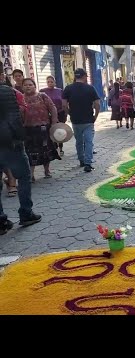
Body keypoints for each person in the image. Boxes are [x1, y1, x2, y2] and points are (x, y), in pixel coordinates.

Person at [0, 62, 42, 235]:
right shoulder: (6, 92)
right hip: (9, 142)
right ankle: (26, 213)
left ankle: (1, 221)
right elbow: (14, 118)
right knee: (24, 175)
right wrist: (20, 138)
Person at [62, 68, 100, 172]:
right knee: (88, 142)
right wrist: (95, 116)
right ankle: (88, 163)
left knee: (79, 141)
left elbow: (64, 105)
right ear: (84, 76)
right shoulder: (90, 88)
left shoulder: (68, 89)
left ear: (75, 76)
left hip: (75, 120)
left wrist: (69, 113)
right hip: (88, 120)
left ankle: (81, 160)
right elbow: (97, 104)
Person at [23, 78, 61, 181]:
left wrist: (54, 122)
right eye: (25, 85)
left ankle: (47, 171)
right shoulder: (21, 98)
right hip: (28, 129)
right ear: (23, 87)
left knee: (46, 150)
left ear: (34, 86)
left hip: (43, 128)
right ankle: (31, 174)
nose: (28, 86)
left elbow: (52, 108)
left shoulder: (42, 96)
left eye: (30, 84)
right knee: (30, 152)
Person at [40, 76, 66, 155]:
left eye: (51, 82)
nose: (50, 83)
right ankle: (54, 147)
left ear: (54, 82)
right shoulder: (43, 91)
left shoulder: (60, 91)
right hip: (48, 114)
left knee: (60, 131)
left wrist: (65, 111)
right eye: (48, 82)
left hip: (60, 113)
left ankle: (61, 147)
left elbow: (64, 102)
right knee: (51, 131)